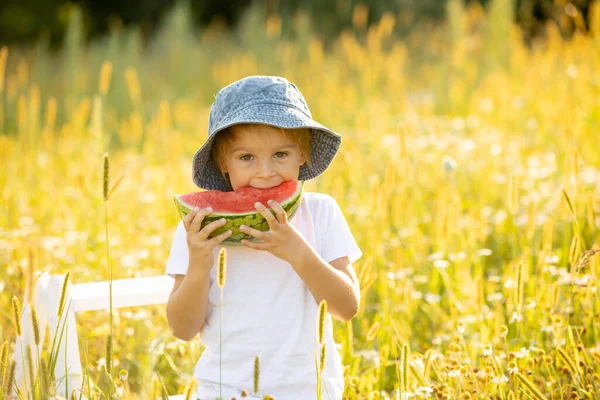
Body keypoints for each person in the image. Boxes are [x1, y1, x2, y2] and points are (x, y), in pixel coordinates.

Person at [165, 76, 362, 400]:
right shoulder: (199, 228)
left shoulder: (321, 212)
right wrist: (199, 266)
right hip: (224, 391)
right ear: (223, 163)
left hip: (310, 390)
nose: (266, 171)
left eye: (280, 154)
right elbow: (182, 330)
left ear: (303, 154)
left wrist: (299, 252)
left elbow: (346, 307)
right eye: (246, 158)